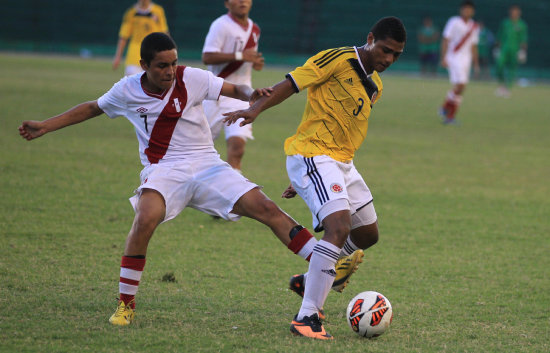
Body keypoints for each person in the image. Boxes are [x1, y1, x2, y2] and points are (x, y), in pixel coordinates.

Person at [18, 32, 361, 327]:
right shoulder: (126, 90)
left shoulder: (191, 78)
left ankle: (329, 264)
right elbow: (93, 107)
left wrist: (251, 94)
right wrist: (46, 125)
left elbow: (231, 87)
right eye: (161, 66)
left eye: (173, 63)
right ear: (144, 66)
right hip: (164, 171)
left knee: (265, 207)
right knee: (145, 218)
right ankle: (126, 304)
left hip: (207, 164)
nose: (169, 71)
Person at [223, 17, 406, 339]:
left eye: (396, 55)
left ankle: (314, 277)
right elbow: (290, 85)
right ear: (370, 38)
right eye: (385, 50)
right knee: (339, 227)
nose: (388, 59)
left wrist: (315, 180)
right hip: (312, 154)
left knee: (368, 235)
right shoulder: (336, 59)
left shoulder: (375, 85)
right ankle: (307, 317)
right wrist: (256, 110)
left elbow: (347, 128)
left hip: (340, 163)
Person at [202, 0, 264, 172]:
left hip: (242, 96)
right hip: (215, 94)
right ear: (227, 3)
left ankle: (232, 193)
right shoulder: (220, 25)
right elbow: (207, 57)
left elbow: (248, 59)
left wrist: (255, 63)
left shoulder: (255, 29)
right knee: (199, 151)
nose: (242, 1)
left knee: (237, 148)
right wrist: (239, 55)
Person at [439, 0, 480, 125]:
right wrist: (443, 57)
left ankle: (446, 108)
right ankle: (449, 114)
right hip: (454, 57)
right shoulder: (454, 22)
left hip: (466, 60)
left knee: (461, 88)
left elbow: (473, 46)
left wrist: (476, 63)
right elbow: (446, 39)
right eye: (465, 9)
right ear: (461, 10)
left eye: (470, 9)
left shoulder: (474, 26)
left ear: (473, 11)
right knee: (461, 86)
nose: (467, 11)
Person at [112, 0, 169, 76]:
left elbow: (164, 33)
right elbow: (124, 36)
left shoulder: (158, 11)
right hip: (134, 57)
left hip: (154, 56)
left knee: (152, 86)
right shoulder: (131, 13)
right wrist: (118, 56)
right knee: (133, 84)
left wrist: (169, 53)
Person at [494, 4, 528, 98]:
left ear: (519, 13)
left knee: (512, 69)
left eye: (516, 12)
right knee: (499, 65)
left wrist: (523, 51)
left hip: (515, 50)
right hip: (504, 49)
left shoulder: (522, 25)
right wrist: (496, 48)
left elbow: (523, 40)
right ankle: (501, 85)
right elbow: (499, 36)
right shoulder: (505, 23)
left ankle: (507, 88)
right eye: (513, 11)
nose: (514, 13)